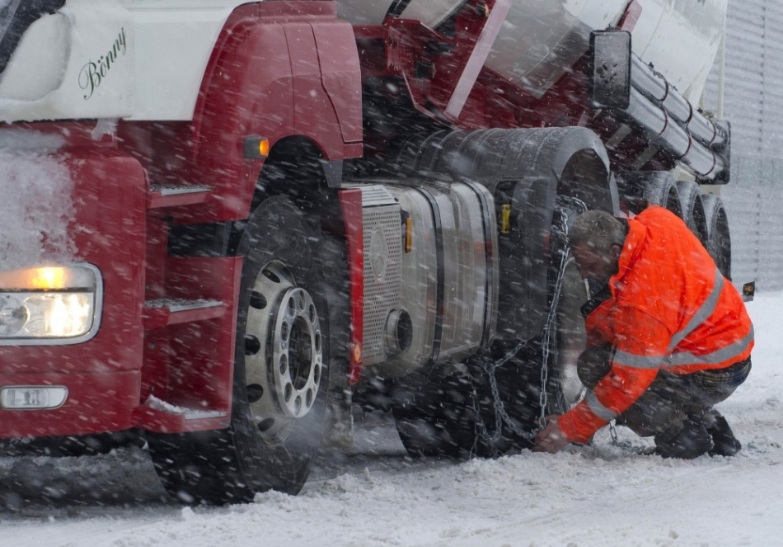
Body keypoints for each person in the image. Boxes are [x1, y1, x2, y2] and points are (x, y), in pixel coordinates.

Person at [535, 206, 753, 458]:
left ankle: (686, 439)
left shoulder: (644, 302)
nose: (585, 273)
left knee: (599, 368)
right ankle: (709, 422)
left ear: (615, 251)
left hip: (711, 372)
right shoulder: (656, 219)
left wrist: (568, 428)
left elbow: (627, 382)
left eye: (591, 265)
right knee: (614, 362)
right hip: (728, 354)